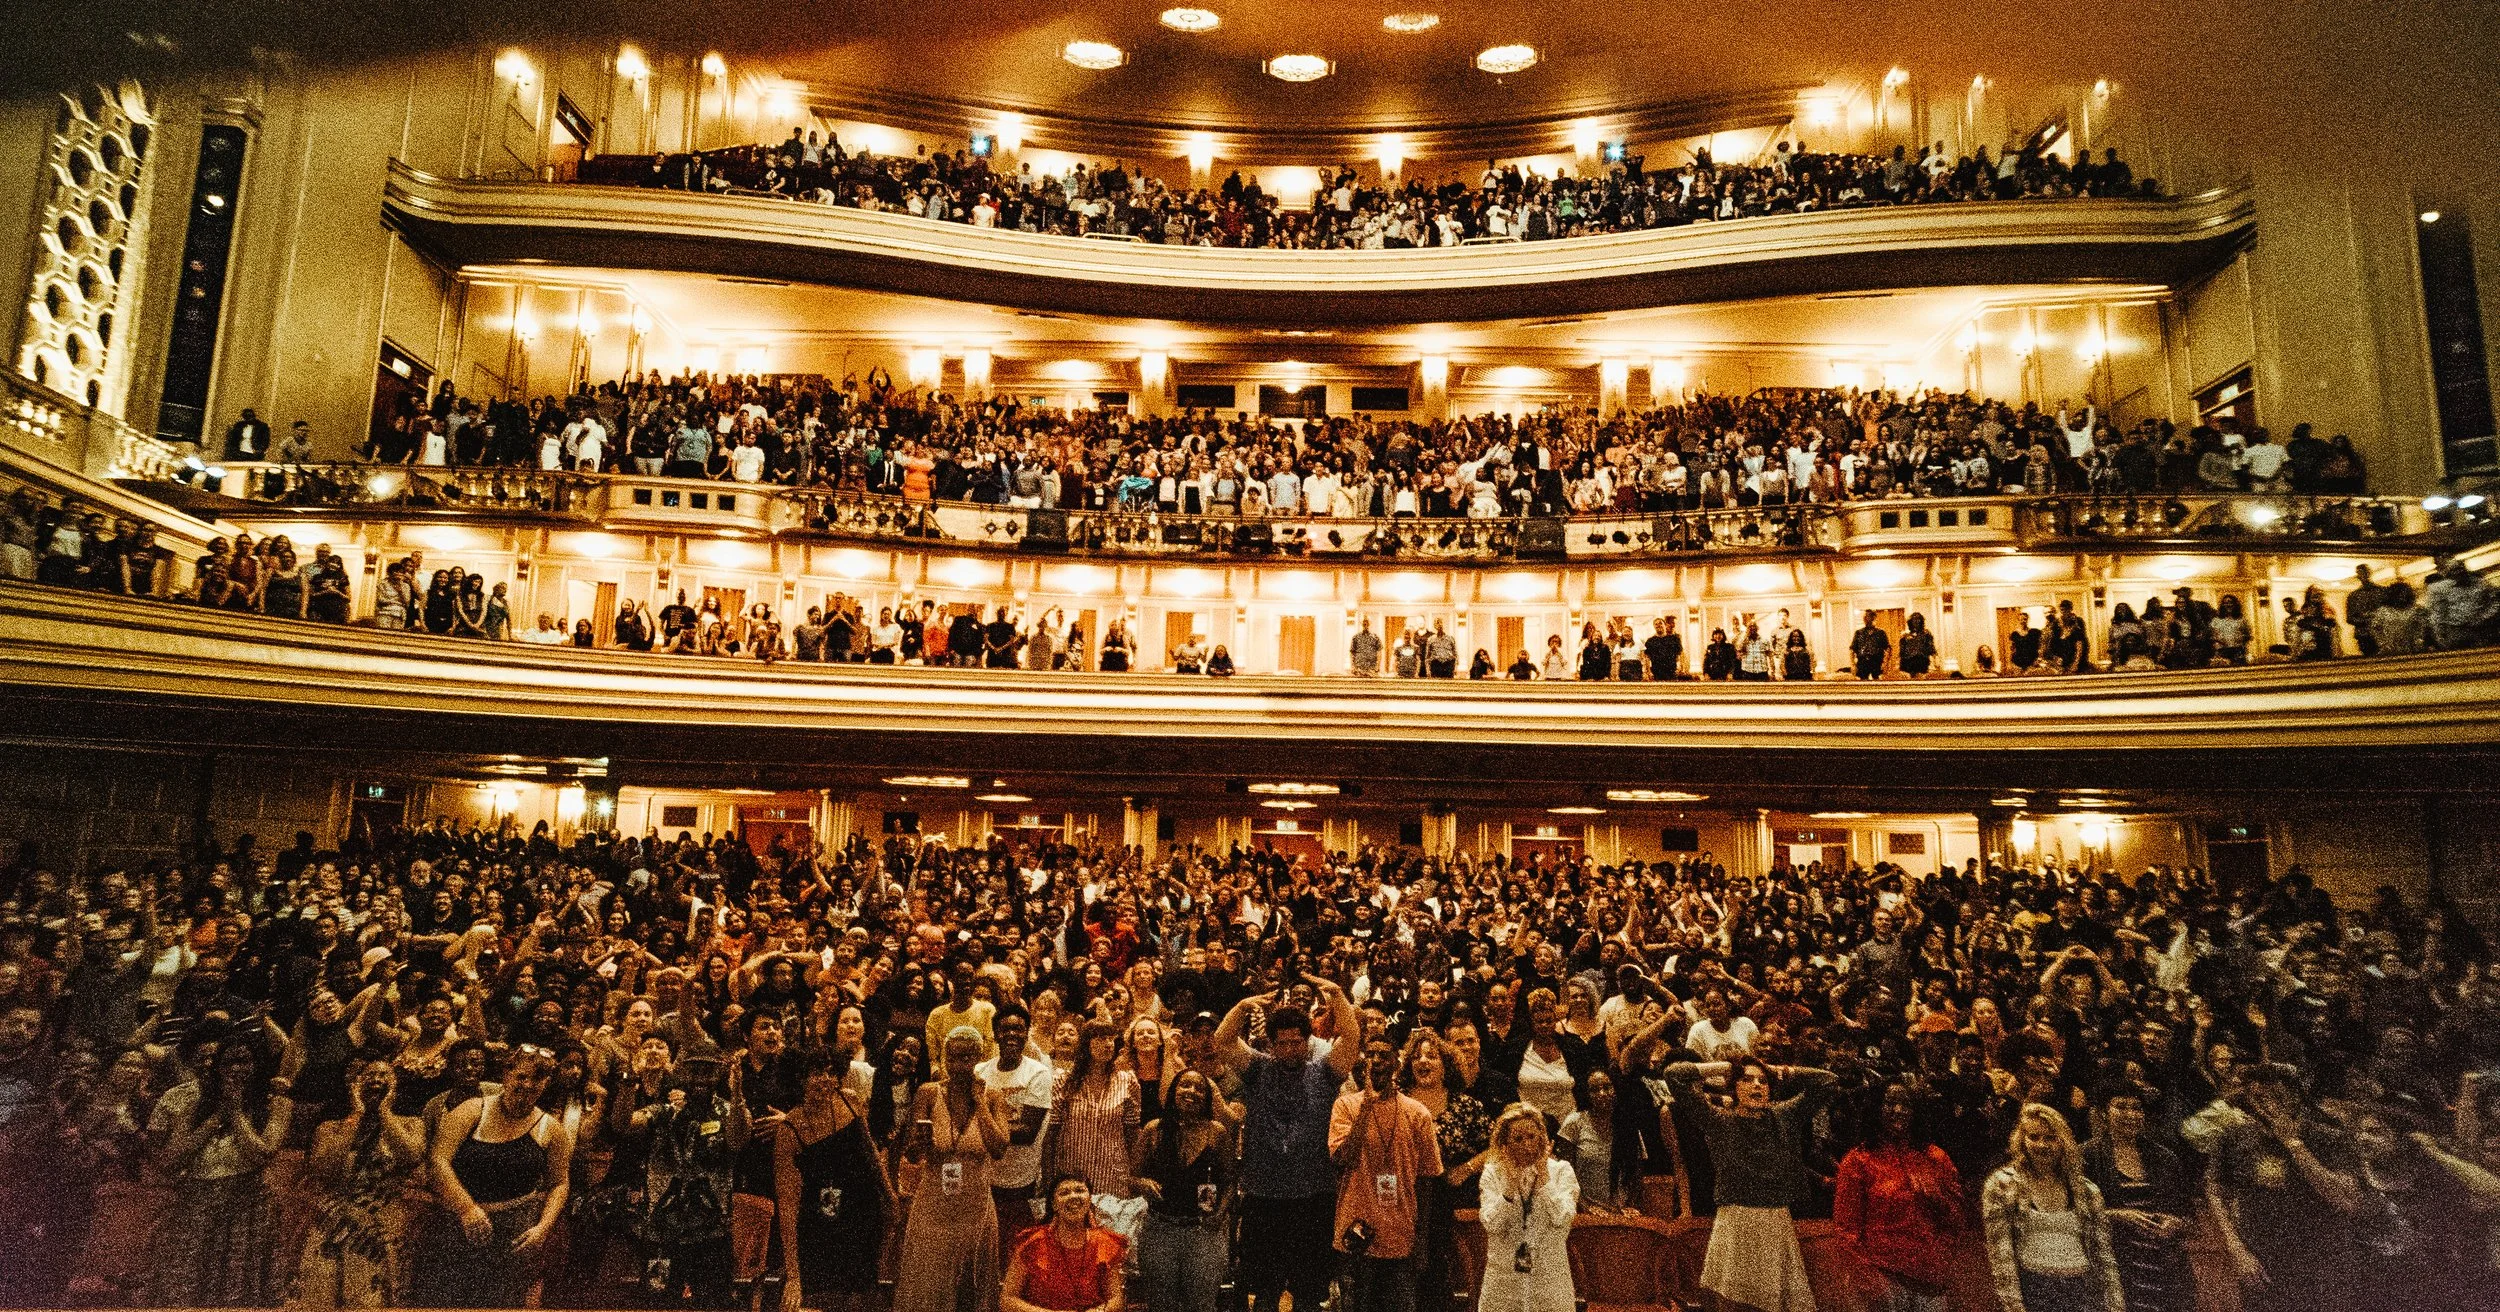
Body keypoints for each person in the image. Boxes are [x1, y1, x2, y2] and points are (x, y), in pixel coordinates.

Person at [1216, 983, 1360, 1312]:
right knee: (1263, 1291)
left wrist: (1337, 996)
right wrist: (1243, 1005)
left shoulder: (1324, 1073)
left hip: (1313, 1196)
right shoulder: (1256, 1069)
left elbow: (1351, 1039)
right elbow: (1223, 1040)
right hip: (1263, 1196)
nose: (1291, 1049)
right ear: (1271, 1044)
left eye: (1297, 1042)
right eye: (1283, 1043)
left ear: (1307, 1042)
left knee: (1308, 1292)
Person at [1662, 1058, 1837, 1312]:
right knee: (1733, 1304)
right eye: (1747, 1079)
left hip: (1775, 1220)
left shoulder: (1784, 1115)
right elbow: (1673, 1075)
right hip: (1735, 1222)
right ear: (1734, 1088)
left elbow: (1828, 1082)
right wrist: (1723, 1067)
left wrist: (1785, 1071)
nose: (1757, 1085)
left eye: (1762, 1081)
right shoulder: (1719, 1120)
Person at [423, 1044, 576, 1307]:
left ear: (546, 1083)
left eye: (537, 1079)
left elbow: (560, 1183)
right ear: (507, 1075)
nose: (527, 1085)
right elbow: (438, 1160)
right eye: (522, 1077)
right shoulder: (472, 1110)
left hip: (515, 1234)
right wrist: (467, 1209)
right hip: (460, 1226)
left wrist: (543, 1227)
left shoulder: (552, 1129)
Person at [892, 1026, 1011, 1312]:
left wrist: (979, 1103)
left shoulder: (992, 1096)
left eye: (968, 1057)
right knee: (928, 1284)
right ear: (945, 1058)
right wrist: (919, 1144)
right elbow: (910, 1152)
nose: (960, 1066)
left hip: (976, 1205)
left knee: (972, 1289)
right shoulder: (928, 1093)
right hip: (934, 1203)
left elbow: (999, 1148)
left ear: (979, 1058)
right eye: (954, 1058)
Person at [291, 1056, 424, 1309]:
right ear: (354, 1085)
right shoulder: (331, 1127)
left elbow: (410, 1156)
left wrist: (384, 1111)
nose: (376, 1080)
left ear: (395, 1086)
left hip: (381, 1223)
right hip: (333, 1220)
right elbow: (325, 1170)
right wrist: (357, 1114)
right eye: (368, 1075)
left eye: (384, 1076)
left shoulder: (410, 1124)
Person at [1328, 1037, 1444, 1312]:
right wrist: (1367, 1105)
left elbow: (1427, 1179)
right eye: (1370, 1054)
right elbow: (1344, 1158)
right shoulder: (1345, 1106)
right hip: (1355, 1236)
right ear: (1362, 1062)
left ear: (1396, 1062)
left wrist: (1422, 1239)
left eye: (1384, 1054)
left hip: (1400, 1237)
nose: (1377, 1060)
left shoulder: (1417, 1113)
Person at [775, 1044, 894, 1312]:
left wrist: (889, 1196)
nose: (826, 1079)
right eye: (818, 1073)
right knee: (823, 1297)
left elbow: (871, 1153)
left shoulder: (849, 1100)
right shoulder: (789, 1128)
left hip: (862, 1214)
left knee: (861, 1298)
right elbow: (787, 1205)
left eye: (832, 1072)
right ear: (801, 1077)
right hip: (820, 1225)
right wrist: (794, 1277)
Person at [1834, 1081, 1966, 1312]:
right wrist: (1870, 1283)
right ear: (1876, 1109)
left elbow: (1957, 1223)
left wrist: (1939, 1203)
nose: (1898, 1110)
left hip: (1931, 1281)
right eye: (1890, 1103)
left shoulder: (1936, 1157)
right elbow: (1847, 1231)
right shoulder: (1858, 1161)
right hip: (1882, 1279)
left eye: (1905, 1104)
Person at [1981, 1103, 2123, 1312]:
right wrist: (2014, 1307)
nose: (2041, 1145)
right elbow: (2001, 1257)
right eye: (2034, 1137)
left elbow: (2104, 1256)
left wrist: (2116, 1304)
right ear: (2022, 1140)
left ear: (2063, 1141)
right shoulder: (2001, 1185)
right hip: (2033, 1291)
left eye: (2050, 1138)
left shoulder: (2087, 1190)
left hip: (2081, 1292)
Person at [2079, 1081, 2190, 1312]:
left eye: (2137, 1108)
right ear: (2103, 1113)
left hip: (2165, 1269)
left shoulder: (2165, 1157)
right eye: (2121, 1107)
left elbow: (2187, 1214)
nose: (2131, 1114)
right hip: (2114, 1268)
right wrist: (2117, 1216)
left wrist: (2175, 1223)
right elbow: (2073, 1214)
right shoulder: (2086, 1157)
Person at [1131, 1069, 1235, 1312]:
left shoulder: (1216, 1132)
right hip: (1160, 1230)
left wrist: (1219, 1216)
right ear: (1173, 1091)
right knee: (1160, 1304)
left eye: (1199, 1088)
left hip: (1203, 1232)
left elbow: (1230, 1181)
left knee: (1201, 1305)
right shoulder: (1154, 1129)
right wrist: (1143, 1183)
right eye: (1185, 1085)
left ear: (1207, 1097)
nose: (1192, 1092)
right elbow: (1132, 1177)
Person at [1477, 1103, 1578, 1312]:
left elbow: (1563, 1217)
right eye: (1518, 1139)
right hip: (1504, 1282)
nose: (1526, 1145)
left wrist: (1543, 1179)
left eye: (1532, 1137)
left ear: (1542, 1138)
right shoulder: (1493, 1173)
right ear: (1505, 1144)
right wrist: (1510, 1185)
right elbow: (1492, 1224)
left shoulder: (1561, 1171)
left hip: (1549, 1280)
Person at [1001, 1173, 1128, 1312]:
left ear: (1089, 1200)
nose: (1073, 1196)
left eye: (1080, 1190)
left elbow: (1116, 1300)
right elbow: (1007, 1300)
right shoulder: (1032, 1243)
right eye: (1064, 1193)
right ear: (1054, 1204)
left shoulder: (1104, 1243)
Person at [1851, 611, 1891, 678]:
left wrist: (1885, 663)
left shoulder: (1881, 633)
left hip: (1877, 661)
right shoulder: (1859, 633)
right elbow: (1852, 649)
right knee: (1862, 684)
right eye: (1865, 617)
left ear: (1874, 618)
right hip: (1862, 662)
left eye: (1869, 617)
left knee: (1878, 683)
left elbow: (1888, 648)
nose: (1867, 619)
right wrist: (1853, 664)